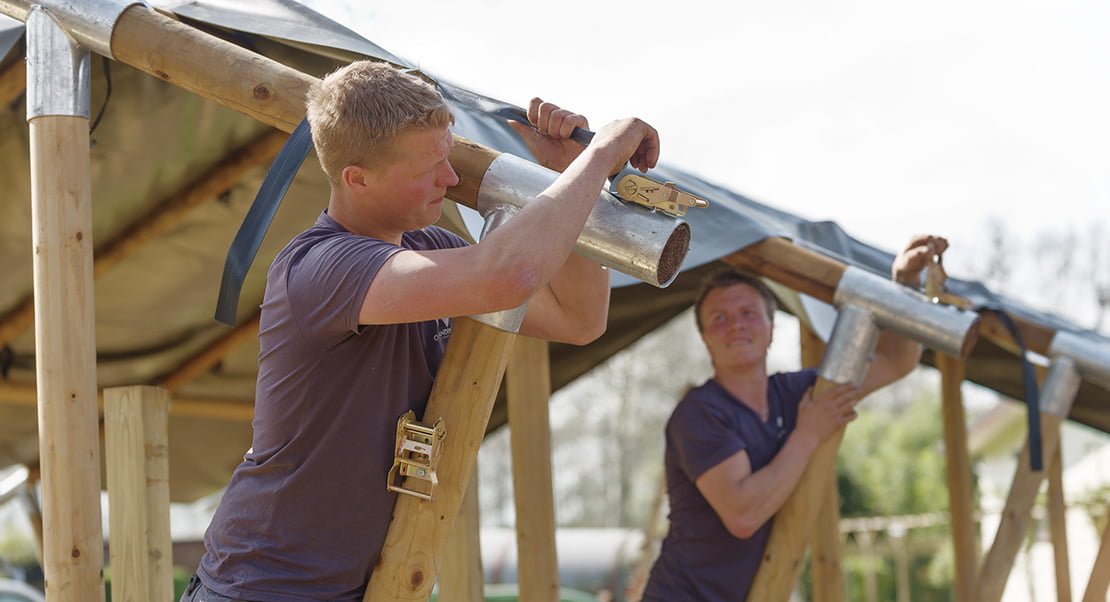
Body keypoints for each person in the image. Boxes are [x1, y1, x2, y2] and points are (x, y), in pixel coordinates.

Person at [183, 61, 660, 602]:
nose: (452, 179)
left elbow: (579, 318)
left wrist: (566, 176)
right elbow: (507, 277)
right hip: (262, 588)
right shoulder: (320, 266)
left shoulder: (428, 248)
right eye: (431, 166)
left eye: (449, 157)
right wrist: (597, 161)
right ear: (357, 178)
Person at [641, 235, 948, 601]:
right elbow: (743, 515)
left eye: (748, 314)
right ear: (706, 339)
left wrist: (905, 285)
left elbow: (897, 361)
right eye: (719, 319)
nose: (736, 325)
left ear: (771, 329)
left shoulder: (795, 394)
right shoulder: (700, 413)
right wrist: (807, 435)